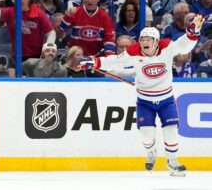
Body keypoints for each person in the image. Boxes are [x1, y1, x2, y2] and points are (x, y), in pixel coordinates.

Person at [79, 14, 205, 176]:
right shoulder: (133, 51)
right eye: (142, 39)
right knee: (146, 135)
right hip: (145, 100)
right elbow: (115, 61)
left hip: (166, 99)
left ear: (156, 42)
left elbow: (184, 46)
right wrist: (94, 62)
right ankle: (151, 151)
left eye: (148, 39)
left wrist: (192, 34)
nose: (144, 42)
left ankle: (172, 162)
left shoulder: (167, 47)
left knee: (171, 130)